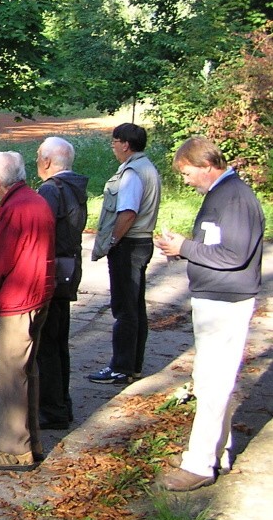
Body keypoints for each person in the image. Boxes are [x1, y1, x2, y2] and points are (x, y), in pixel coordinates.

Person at [155, 138, 265, 491]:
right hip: (215, 298)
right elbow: (218, 247)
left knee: (213, 383)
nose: (185, 180)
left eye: (187, 172)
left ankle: (200, 465)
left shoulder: (233, 198)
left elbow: (234, 255)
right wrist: (182, 250)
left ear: (206, 165)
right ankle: (218, 452)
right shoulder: (222, 195)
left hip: (226, 301)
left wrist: (185, 247)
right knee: (208, 380)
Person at [0, 151, 55, 471]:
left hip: (20, 302)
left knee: (11, 377)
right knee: (27, 372)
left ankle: (14, 450)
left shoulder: (15, 210)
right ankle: (31, 441)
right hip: (40, 296)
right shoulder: (36, 201)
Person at [88, 123, 161, 385]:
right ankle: (133, 365)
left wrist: (113, 241)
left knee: (124, 308)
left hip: (130, 245)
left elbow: (127, 212)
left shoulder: (132, 173)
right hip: (141, 242)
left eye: (114, 142)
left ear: (125, 145)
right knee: (134, 307)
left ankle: (121, 367)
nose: (113, 146)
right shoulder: (148, 167)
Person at [34, 137, 88, 430]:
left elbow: (40, 234)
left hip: (53, 274)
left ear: (46, 161)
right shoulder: (75, 186)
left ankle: (53, 409)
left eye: (38, 158)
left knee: (48, 344)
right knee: (57, 342)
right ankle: (60, 405)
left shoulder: (50, 190)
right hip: (67, 270)